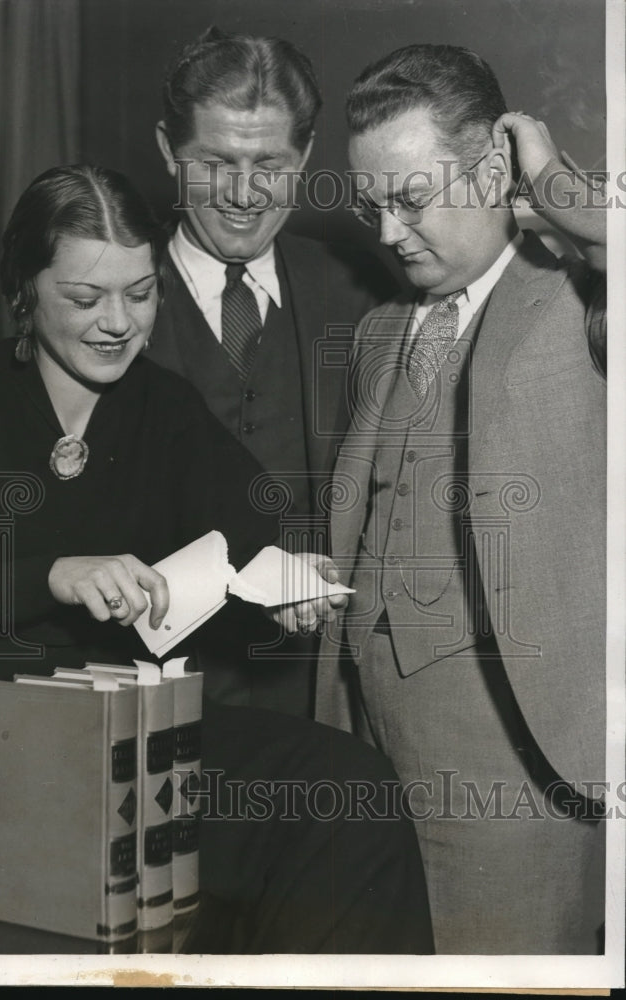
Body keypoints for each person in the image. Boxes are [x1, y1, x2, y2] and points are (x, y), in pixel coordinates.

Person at [0, 164, 433, 956]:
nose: (118, 322)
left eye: (142, 292)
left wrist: (288, 583)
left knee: (348, 792)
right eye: (86, 299)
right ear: (23, 289)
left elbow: (255, 528)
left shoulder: (166, 407)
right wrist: (52, 573)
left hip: (139, 728)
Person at [315, 44, 607, 954]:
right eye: (373, 207)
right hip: (364, 746)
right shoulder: (377, 330)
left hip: (516, 770)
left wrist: (556, 182)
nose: (389, 233)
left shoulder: (580, 304)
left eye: (411, 199)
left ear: (491, 170)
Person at [146, 27, 394, 719]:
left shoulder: (360, 290)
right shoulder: (101, 304)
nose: (244, 194)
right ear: (168, 150)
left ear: (307, 155)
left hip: (324, 699)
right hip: (150, 695)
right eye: (216, 162)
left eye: (270, 164)